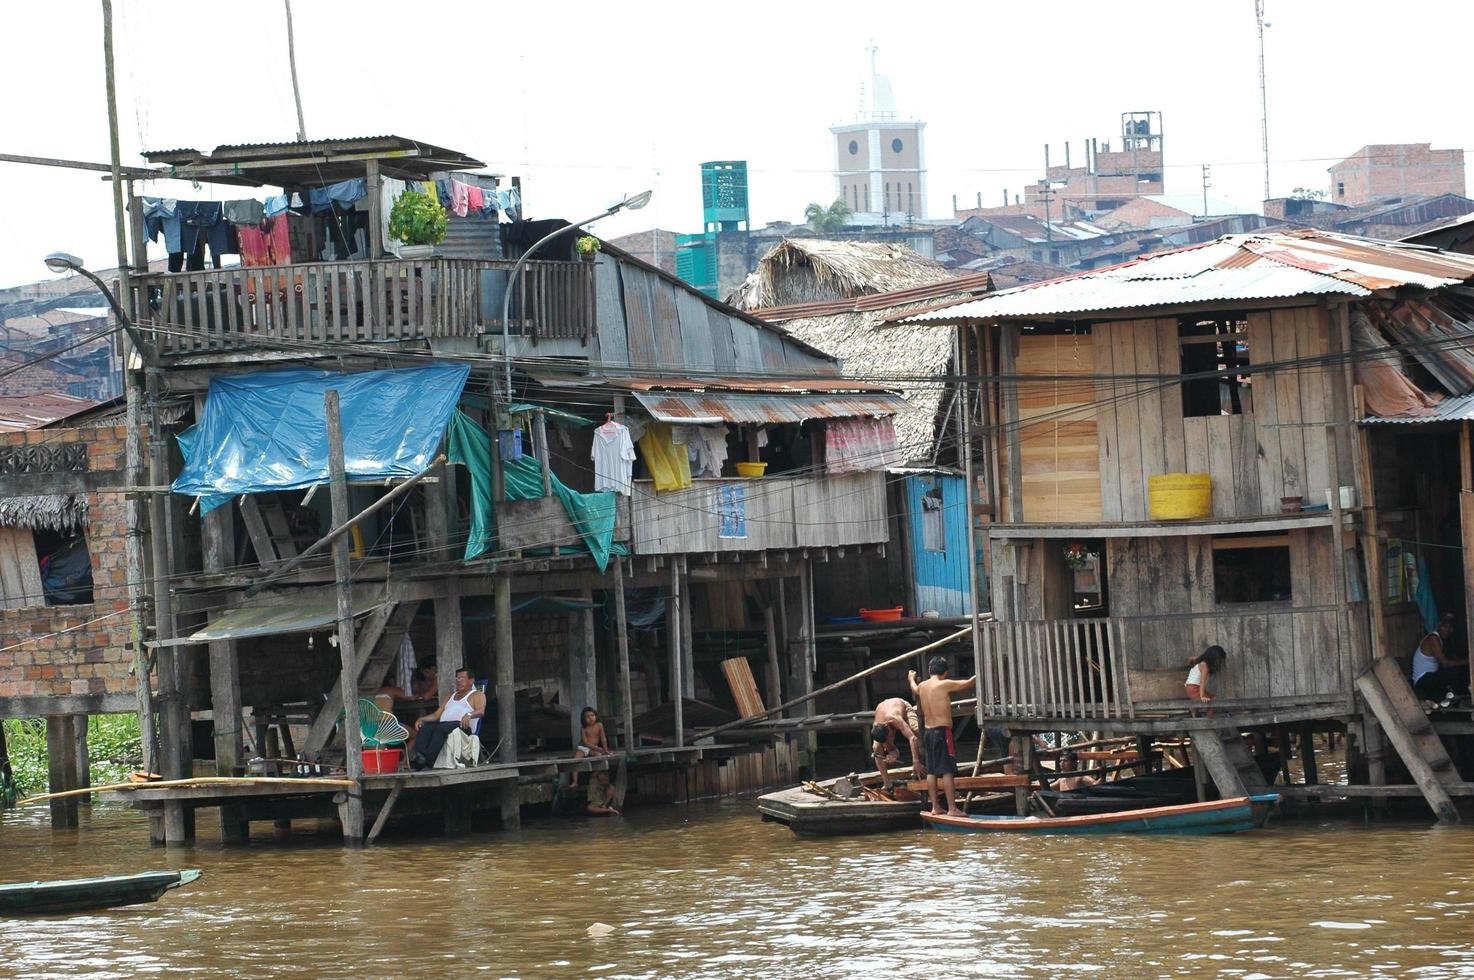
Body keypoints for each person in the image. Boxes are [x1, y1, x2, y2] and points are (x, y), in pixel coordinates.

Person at [909, 656, 976, 817]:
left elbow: (914, 688)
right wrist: (985, 670)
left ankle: (935, 807)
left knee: (931, 771)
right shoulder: (943, 684)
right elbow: (969, 683)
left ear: (931, 670)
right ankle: (952, 809)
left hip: (928, 733)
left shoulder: (922, 686)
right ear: (945, 673)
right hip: (942, 732)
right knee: (947, 771)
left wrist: (911, 677)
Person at [410, 668, 485, 770]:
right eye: (457, 678)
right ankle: (420, 757)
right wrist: (422, 719)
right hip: (446, 725)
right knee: (425, 726)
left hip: (463, 727)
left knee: (442, 728)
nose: (459, 681)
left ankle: (428, 763)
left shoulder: (477, 695)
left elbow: (481, 711)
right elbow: (436, 715)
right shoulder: (450, 696)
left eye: (462, 678)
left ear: (471, 681)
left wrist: (469, 714)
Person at [1413, 612, 1470, 706]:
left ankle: (1451, 698)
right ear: (1439, 626)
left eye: (1450, 627)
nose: (1447, 630)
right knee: (1453, 671)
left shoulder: (1444, 640)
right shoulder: (1433, 638)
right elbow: (1445, 664)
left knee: (1457, 670)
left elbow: (1453, 659)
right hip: (1423, 680)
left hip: (1432, 678)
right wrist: (1469, 661)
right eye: (1445, 626)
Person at [869, 696, 924, 784]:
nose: (891, 737)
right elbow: (894, 750)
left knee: (916, 731)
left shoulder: (894, 718)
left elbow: (912, 738)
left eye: (889, 735)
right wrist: (892, 755)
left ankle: (925, 767)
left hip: (903, 707)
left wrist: (915, 761)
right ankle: (887, 783)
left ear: (887, 725)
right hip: (884, 710)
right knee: (876, 747)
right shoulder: (878, 727)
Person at [571, 707, 611, 787]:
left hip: (594, 748)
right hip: (583, 747)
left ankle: (595, 774)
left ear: (596, 716)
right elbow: (585, 743)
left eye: (592, 715)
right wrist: (598, 748)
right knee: (575, 761)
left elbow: (603, 738)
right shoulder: (583, 728)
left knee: (600, 758)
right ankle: (575, 781)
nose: (590, 718)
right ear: (583, 719)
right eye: (587, 717)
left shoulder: (599, 725)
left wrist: (606, 750)